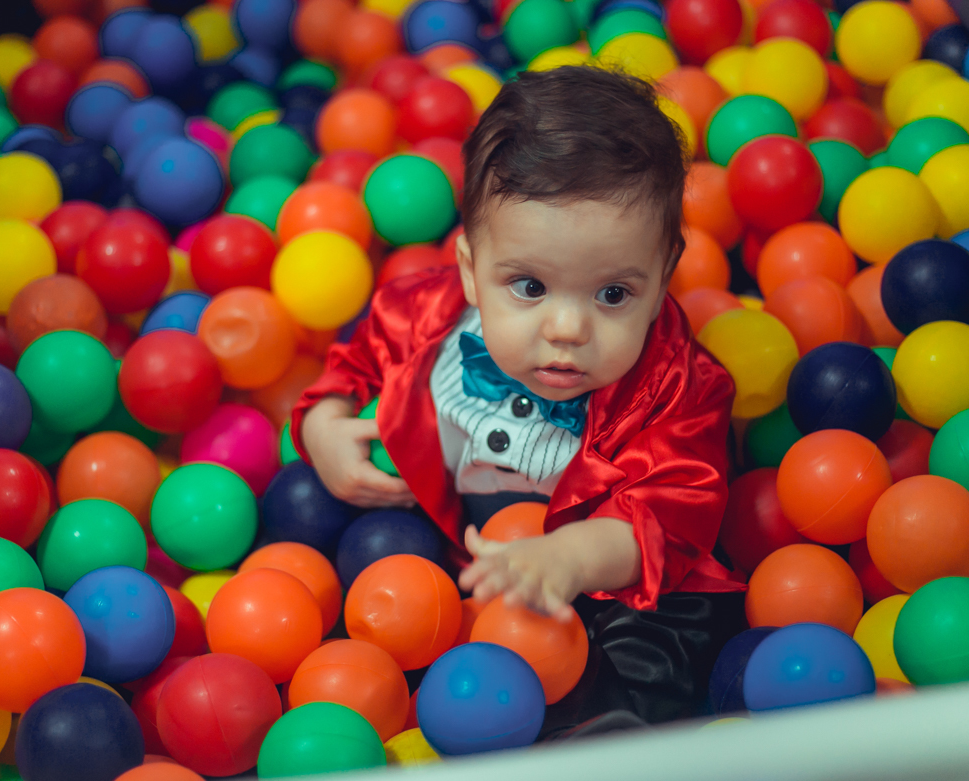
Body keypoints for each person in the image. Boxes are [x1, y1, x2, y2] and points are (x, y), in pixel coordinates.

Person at [292, 66, 746, 736]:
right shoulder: (422, 316)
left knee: (680, 624)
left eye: (613, 294)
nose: (567, 328)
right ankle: (385, 678)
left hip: (601, 576)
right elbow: (352, 368)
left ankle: (604, 731)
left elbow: (670, 517)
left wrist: (569, 560)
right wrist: (323, 427)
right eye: (529, 287)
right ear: (472, 271)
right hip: (449, 543)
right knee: (325, 515)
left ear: (661, 281)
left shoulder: (681, 385)